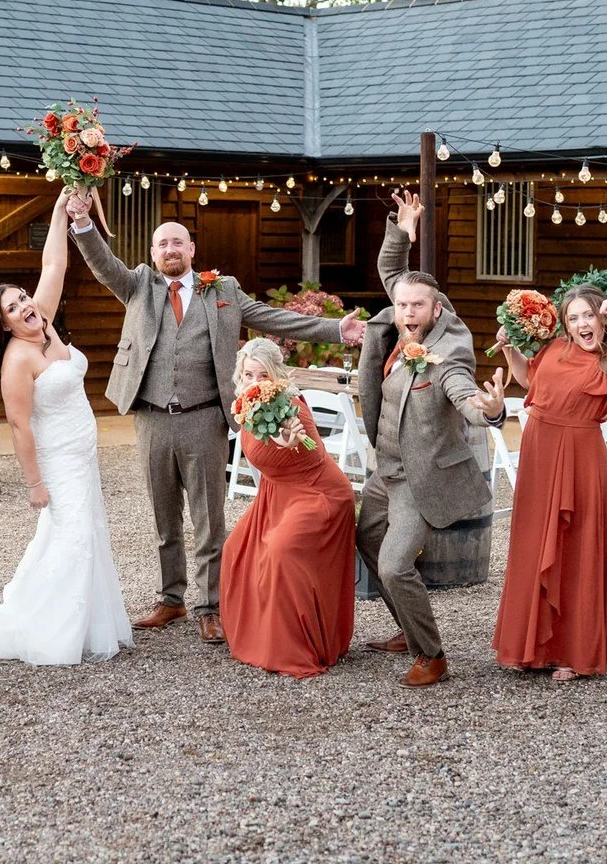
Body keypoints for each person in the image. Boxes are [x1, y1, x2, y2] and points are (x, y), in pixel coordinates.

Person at [66, 191, 364, 644]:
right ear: (152, 253)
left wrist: (334, 329)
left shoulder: (222, 291)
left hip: (205, 419)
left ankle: (210, 605)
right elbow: (103, 263)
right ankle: (171, 599)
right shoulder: (139, 286)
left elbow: (272, 318)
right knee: (164, 517)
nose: (170, 250)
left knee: (208, 518)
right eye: (162, 243)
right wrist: (84, 223)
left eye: (178, 243)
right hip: (151, 420)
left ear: (192, 250)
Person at [353, 191, 509, 687]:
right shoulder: (402, 316)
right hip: (387, 469)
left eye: (417, 305)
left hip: (420, 479)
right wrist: (402, 228)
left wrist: (489, 410)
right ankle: (407, 624)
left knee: (396, 565)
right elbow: (391, 266)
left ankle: (432, 655)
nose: (408, 311)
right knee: (365, 537)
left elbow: (461, 389)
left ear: (436, 308)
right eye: (401, 304)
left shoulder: (449, 350)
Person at [0, 189, 133, 666]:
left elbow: (54, 267)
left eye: (22, 297)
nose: (24, 305)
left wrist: (62, 207)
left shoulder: (42, 320)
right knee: (74, 536)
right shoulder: (17, 360)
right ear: (3, 324)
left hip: (83, 454)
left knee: (88, 533)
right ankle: (50, 630)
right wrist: (35, 484)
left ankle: (85, 625)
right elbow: (20, 428)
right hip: (57, 461)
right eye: (12, 307)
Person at [491, 284, 607, 681]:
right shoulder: (554, 349)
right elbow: (527, 379)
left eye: (588, 315)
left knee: (576, 550)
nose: (581, 324)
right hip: (540, 450)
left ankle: (572, 651)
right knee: (535, 544)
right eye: (572, 318)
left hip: (580, 456)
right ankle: (532, 647)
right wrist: (509, 347)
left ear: (604, 320)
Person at [217, 338, 358, 678]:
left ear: (276, 376)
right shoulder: (245, 405)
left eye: (263, 375)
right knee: (237, 548)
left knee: (281, 550)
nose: (255, 383)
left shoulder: (292, 405)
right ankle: (258, 634)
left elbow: (306, 450)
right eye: (249, 374)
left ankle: (295, 646)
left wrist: (286, 440)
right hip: (277, 493)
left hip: (318, 494)